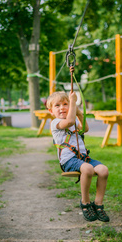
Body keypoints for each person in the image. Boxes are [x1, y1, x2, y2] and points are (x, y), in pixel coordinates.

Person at [47, 73, 109, 223]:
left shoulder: (72, 118)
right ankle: (85, 202)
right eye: (57, 105)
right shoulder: (56, 123)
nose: (62, 108)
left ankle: (98, 204)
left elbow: (85, 128)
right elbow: (68, 122)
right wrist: (73, 104)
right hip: (69, 161)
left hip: (83, 158)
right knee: (87, 169)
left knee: (103, 170)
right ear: (51, 111)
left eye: (65, 104)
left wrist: (78, 111)